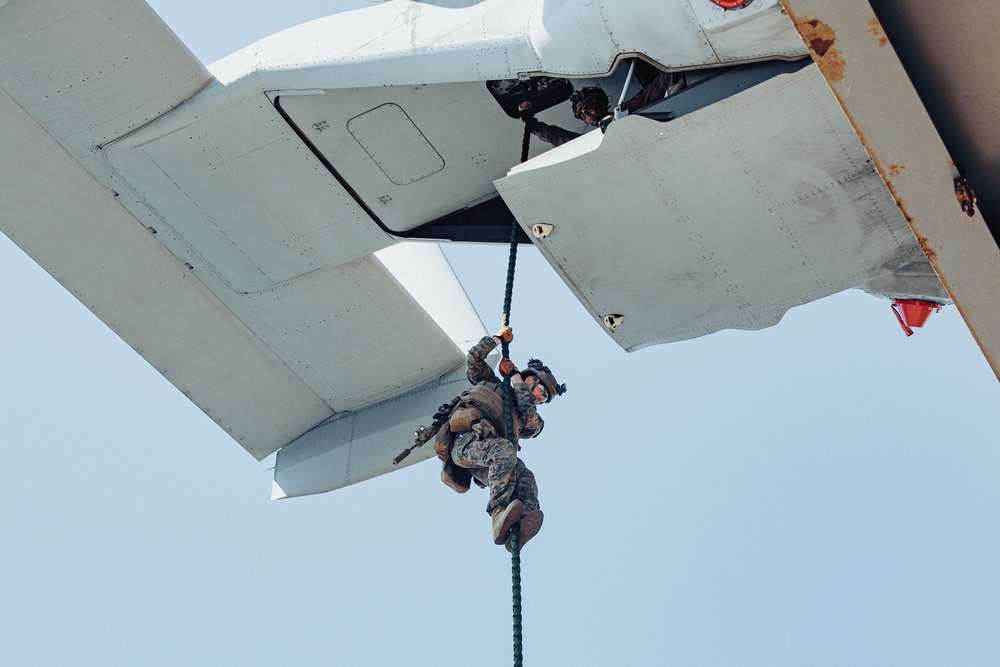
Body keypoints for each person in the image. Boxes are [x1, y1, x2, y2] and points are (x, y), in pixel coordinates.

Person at [432, 326, 565, 549]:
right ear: (531, 380)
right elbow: (474, 359)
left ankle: (520, 526)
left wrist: (516, 379)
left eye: (544, 399)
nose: (541, 400)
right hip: (467, 444)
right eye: (542, 392)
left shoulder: (529, 419)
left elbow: (529, 416)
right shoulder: (491, 383)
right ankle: (499, 514)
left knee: (525, 477)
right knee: (504, 450)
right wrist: (496, 339)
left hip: (491, 459)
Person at [519, 70, 686, 147]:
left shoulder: (626, 111)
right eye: (582, 115)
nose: (587, 115)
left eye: (589, 108)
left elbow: (653, 89)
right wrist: (532, 126)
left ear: (600, 104)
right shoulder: (592, 140)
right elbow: (559, 137)